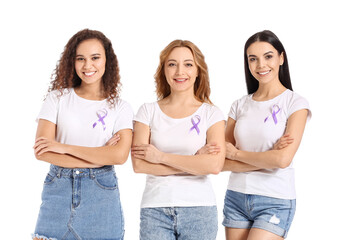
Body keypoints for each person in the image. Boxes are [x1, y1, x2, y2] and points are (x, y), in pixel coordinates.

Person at [32, 29, 133, 240]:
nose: (88, 66)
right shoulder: (57, 98)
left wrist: (63, 147)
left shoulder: (120, 107)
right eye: (81, 59)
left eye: (95, 58)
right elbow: (42, 151)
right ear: (72, 62)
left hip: (101, 194)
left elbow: (119, 156)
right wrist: (100, 154)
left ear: (107, 60)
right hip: (58, 192)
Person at [131, 40, 226, 240]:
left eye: (188, 64)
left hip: (199, 211)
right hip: (155, 210)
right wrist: (195, 162)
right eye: (172, 64)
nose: (179, 71)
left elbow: (215, 165)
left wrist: (159, 157)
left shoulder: (212, 114)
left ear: (198, 70)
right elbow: (139, 165)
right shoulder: (147, 111)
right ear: (164, 70)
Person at [220, 30, 311, 239]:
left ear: (281, 58)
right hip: (236, 196)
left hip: (275, 199)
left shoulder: (295, 103)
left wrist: (236, 154)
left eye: (268, 56)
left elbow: (282, 159)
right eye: (253, 59)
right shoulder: (239, 105)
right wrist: (267, 158)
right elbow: (220, 161)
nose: (261, 65)